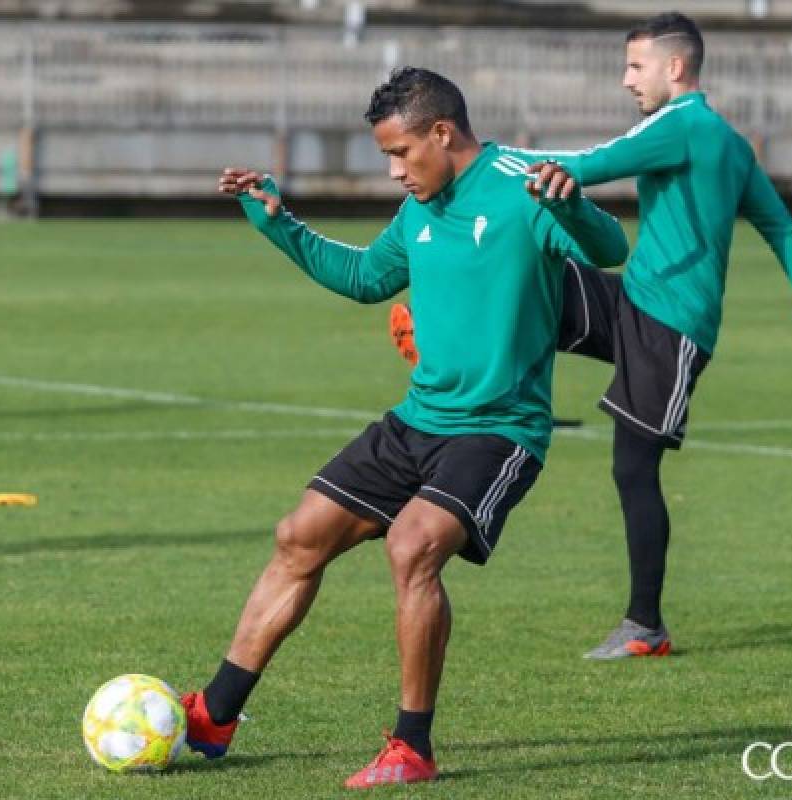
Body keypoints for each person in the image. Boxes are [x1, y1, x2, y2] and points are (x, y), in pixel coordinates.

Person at [182, 67, 628, 787]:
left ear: (442, 133)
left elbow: (610, 250)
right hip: (419, 419)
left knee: (411, 546)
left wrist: (572, 205)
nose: (394, 171)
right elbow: (365, 279)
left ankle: (411, 747)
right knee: (300, 536)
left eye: (400, 153)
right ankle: (216, 714)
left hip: (498, 429)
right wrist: (278, 223)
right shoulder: (421, 206)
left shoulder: (524, 185)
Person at [388, 12, 792, 661]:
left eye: (635, 66)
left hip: (670, 327)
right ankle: (445, 339)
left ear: (675, 68)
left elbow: (592, 163)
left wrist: (496, 169)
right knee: (538, 288)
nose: (626, 79)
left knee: (632, 467)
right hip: (633, 299)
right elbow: (785, 231)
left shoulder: (680, 124)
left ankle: (646, 627)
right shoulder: (730, 141)